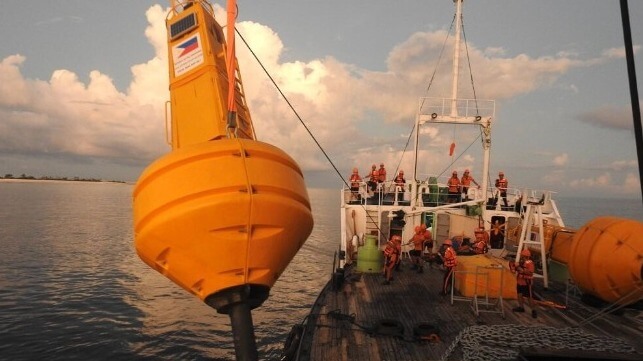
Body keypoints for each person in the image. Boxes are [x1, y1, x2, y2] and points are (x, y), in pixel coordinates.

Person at [511, 248, 537, 318]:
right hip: (520, 281)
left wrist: (519, 268)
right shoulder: (522, 262)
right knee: (519, 295)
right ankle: (521, 307)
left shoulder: (530, 263)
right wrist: (514, 268)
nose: (521, 257)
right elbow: (515, 269)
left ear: (524, 256)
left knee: (529, 297)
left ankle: (533, 310)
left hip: (527, 283)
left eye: (522, 255)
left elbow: (530, 272)